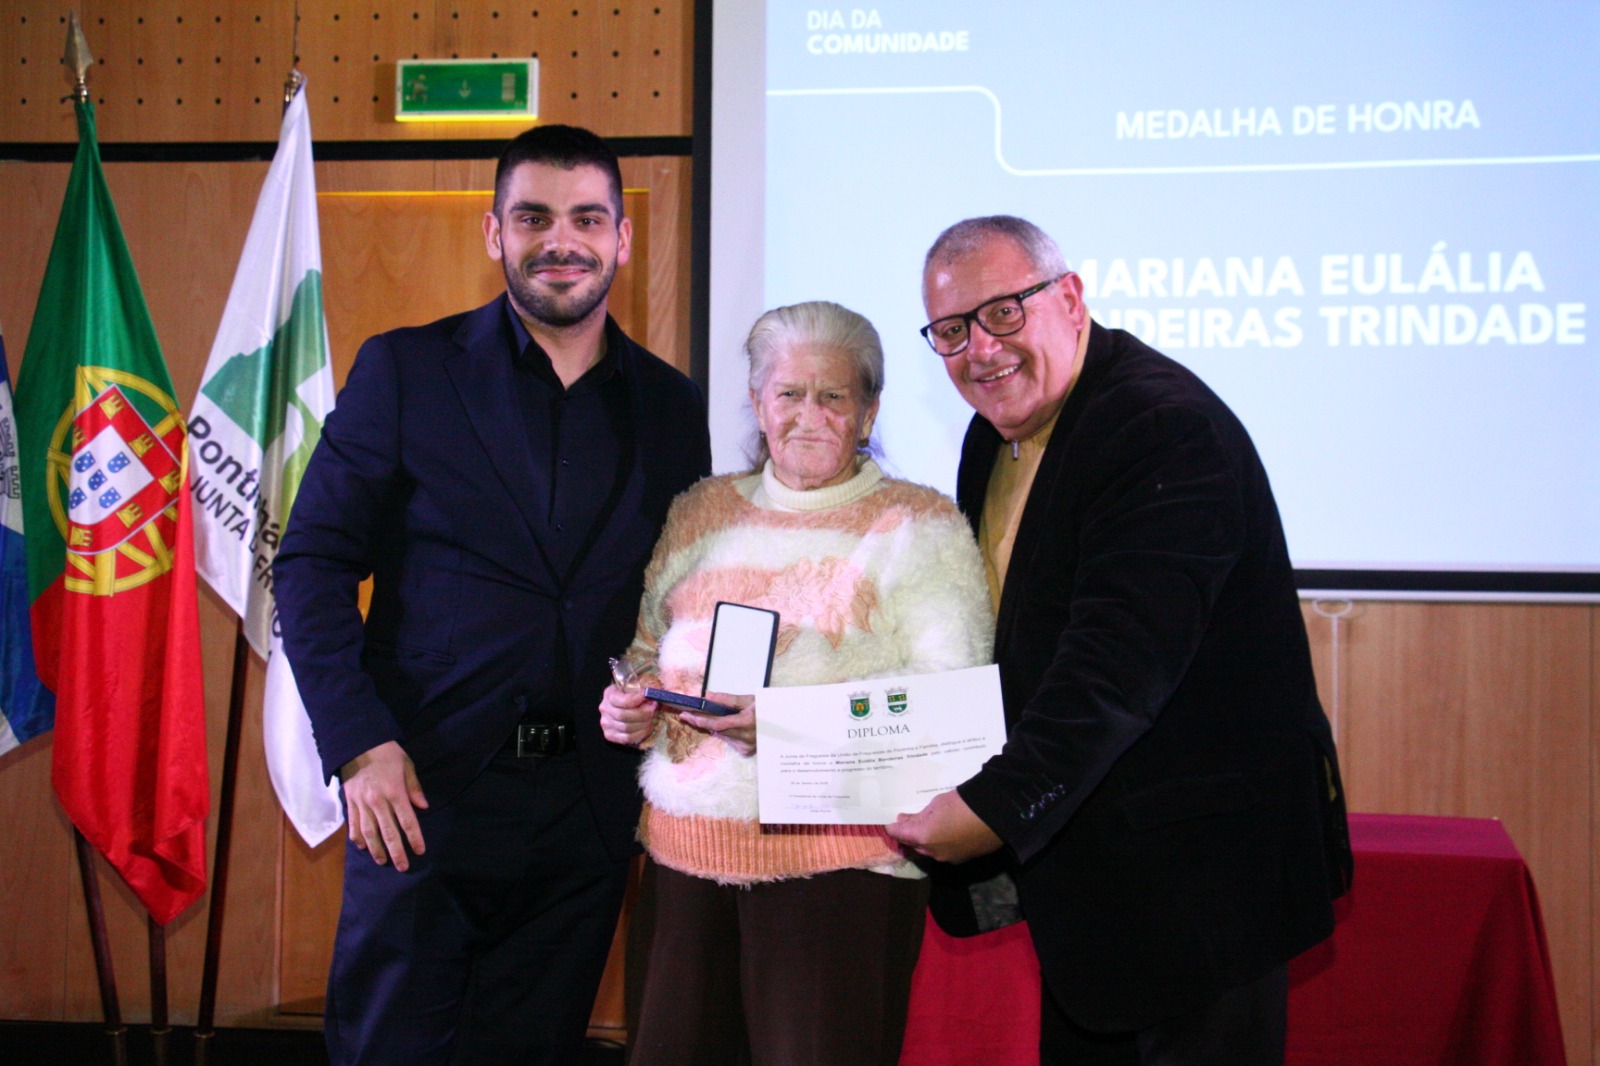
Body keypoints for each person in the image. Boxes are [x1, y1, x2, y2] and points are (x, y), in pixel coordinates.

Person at [273, 124, 710, 1065]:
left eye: (587, 218)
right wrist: (360, 745)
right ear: (493, 232)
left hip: (587, 818)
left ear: (622, 238)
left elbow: (680, 600)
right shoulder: (406, 370)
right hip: (420, 798)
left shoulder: (673, 407)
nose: (563, 241)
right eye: (534, 218)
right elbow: (309, 564)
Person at [887, 216, 1353, 1066]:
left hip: (1203, 889)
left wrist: (994, 808)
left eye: (1003, 312)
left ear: (1070, 299)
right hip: (1094, 885)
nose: (980, 349)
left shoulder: (1161, 427)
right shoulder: (995, 436)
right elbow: (1004, 642)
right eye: (950, 330)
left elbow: (1114, 669)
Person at [598, 300, 993, 1065]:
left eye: (832, 395)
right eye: (788, 393)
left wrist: (790, 726)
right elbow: (646, 651)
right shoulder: (699, 511)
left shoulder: (919, 525)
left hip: (838, 875)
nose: (808, 415)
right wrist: (633, 707)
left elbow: (951, 710)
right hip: (682, 865)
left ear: (869, 410)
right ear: (757, 402)